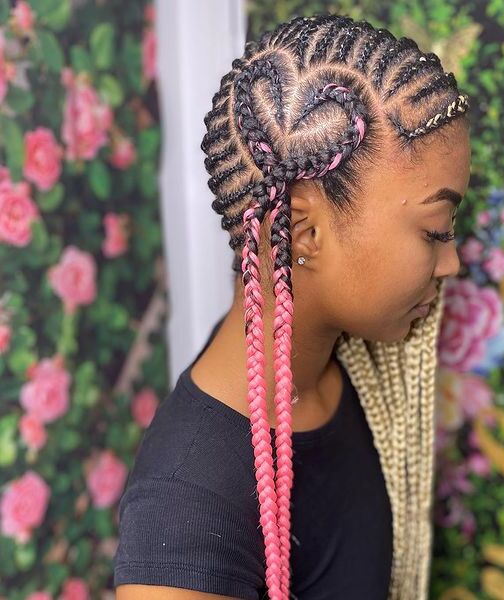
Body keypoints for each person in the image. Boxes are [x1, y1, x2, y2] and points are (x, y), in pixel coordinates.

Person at [113, 12, 471, 600]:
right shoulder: (187, 512)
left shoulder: (349, 364)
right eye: (435, 230)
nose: (453, 261)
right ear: (302, 233)